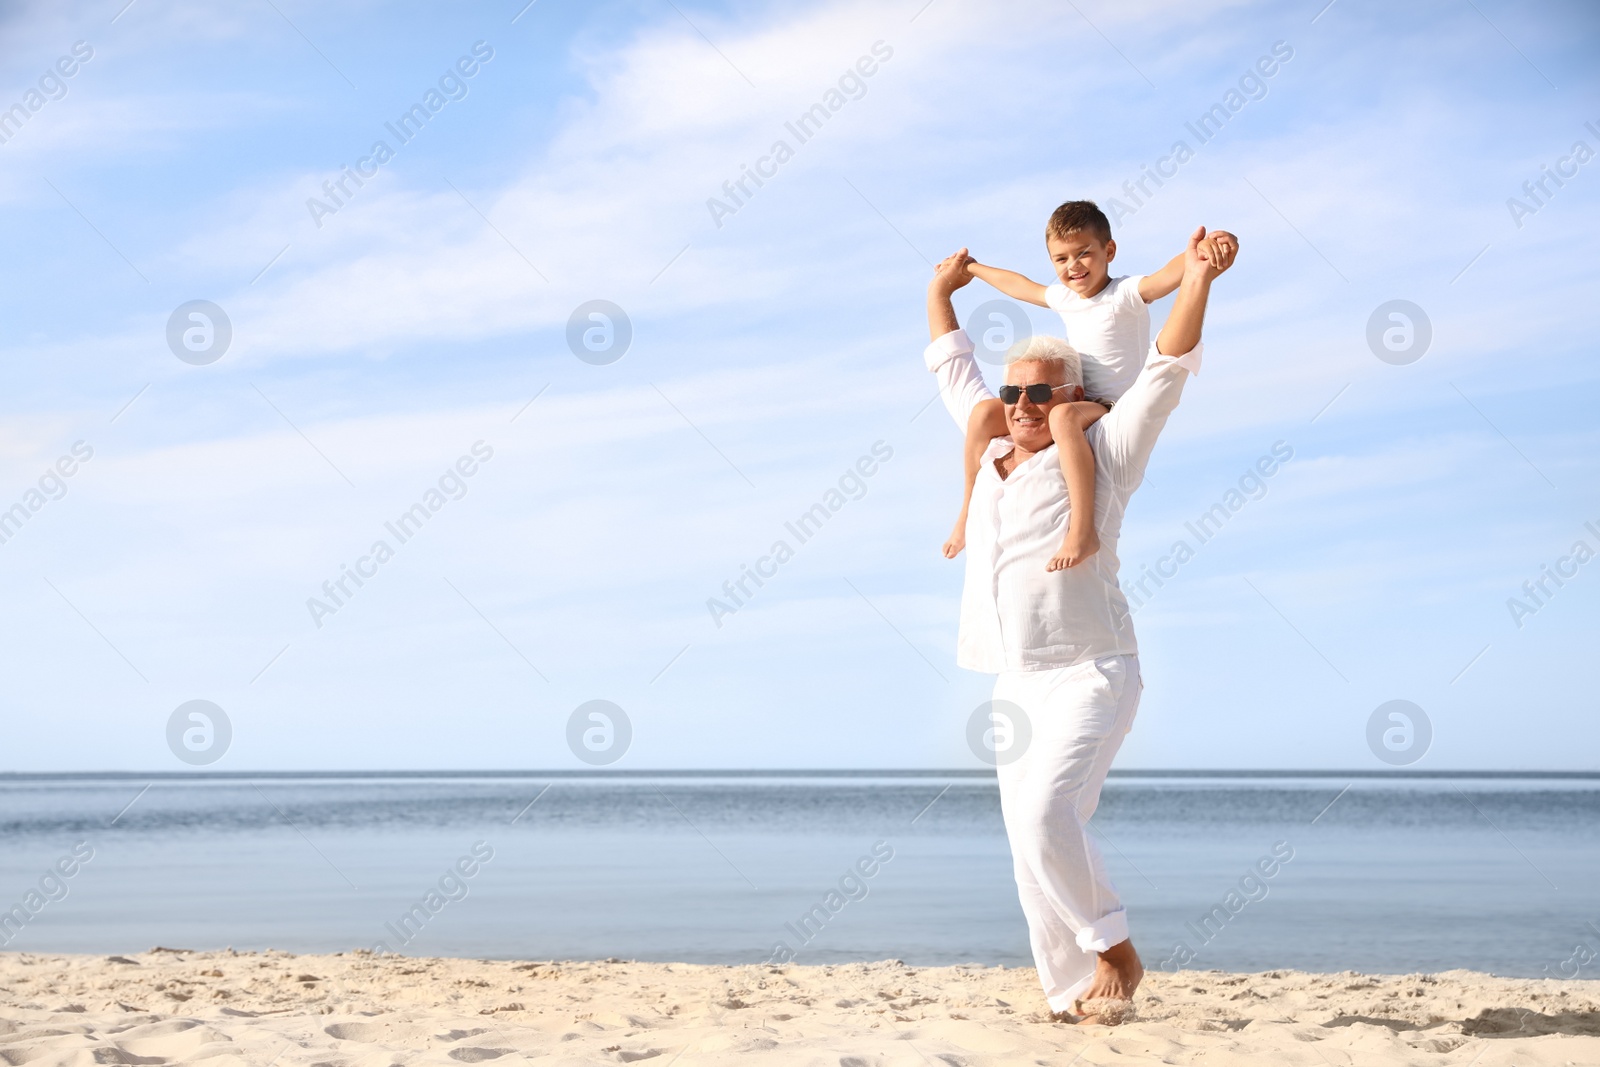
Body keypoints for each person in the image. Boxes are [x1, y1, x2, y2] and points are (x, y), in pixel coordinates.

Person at [924, 225, 1237, 1025]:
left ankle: (1115, 948)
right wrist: (939, 294)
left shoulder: (1105, 450)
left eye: (1042, 394)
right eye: (1014, 393)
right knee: (1028, 847)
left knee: (1045, 816)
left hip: (1094, 668)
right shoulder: (992, 444)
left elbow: (1164, 371)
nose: (1023, 405)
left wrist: (1196, 277)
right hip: (1012, 678)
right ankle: (1071, 995)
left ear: (1075, 398)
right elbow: (954, 368)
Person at [942, 202, 1236, 572]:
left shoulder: (1124, 293)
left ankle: (1082, 531)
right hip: (1070, 399)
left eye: (1084, 254)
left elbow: (1165, 276)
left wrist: (1202, 250)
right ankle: (966, 511)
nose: (1073, 267)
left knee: (1063, 417)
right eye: (1061, 259)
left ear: (1108, 251)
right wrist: (971, 268)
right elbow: (1019, 285)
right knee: (985, 414)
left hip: (1109, 408)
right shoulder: (1065, 298)